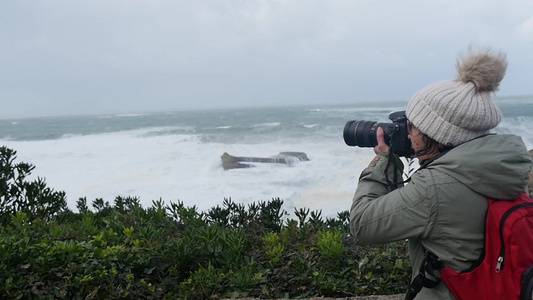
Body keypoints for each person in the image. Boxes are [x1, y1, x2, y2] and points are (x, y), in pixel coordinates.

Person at [349, 49, 532, 300]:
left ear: (437, 134)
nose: (408, 133)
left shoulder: (434, 187)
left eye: (412, 126)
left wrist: (383, 159)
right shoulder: (508, 168)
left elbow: (362, 224)